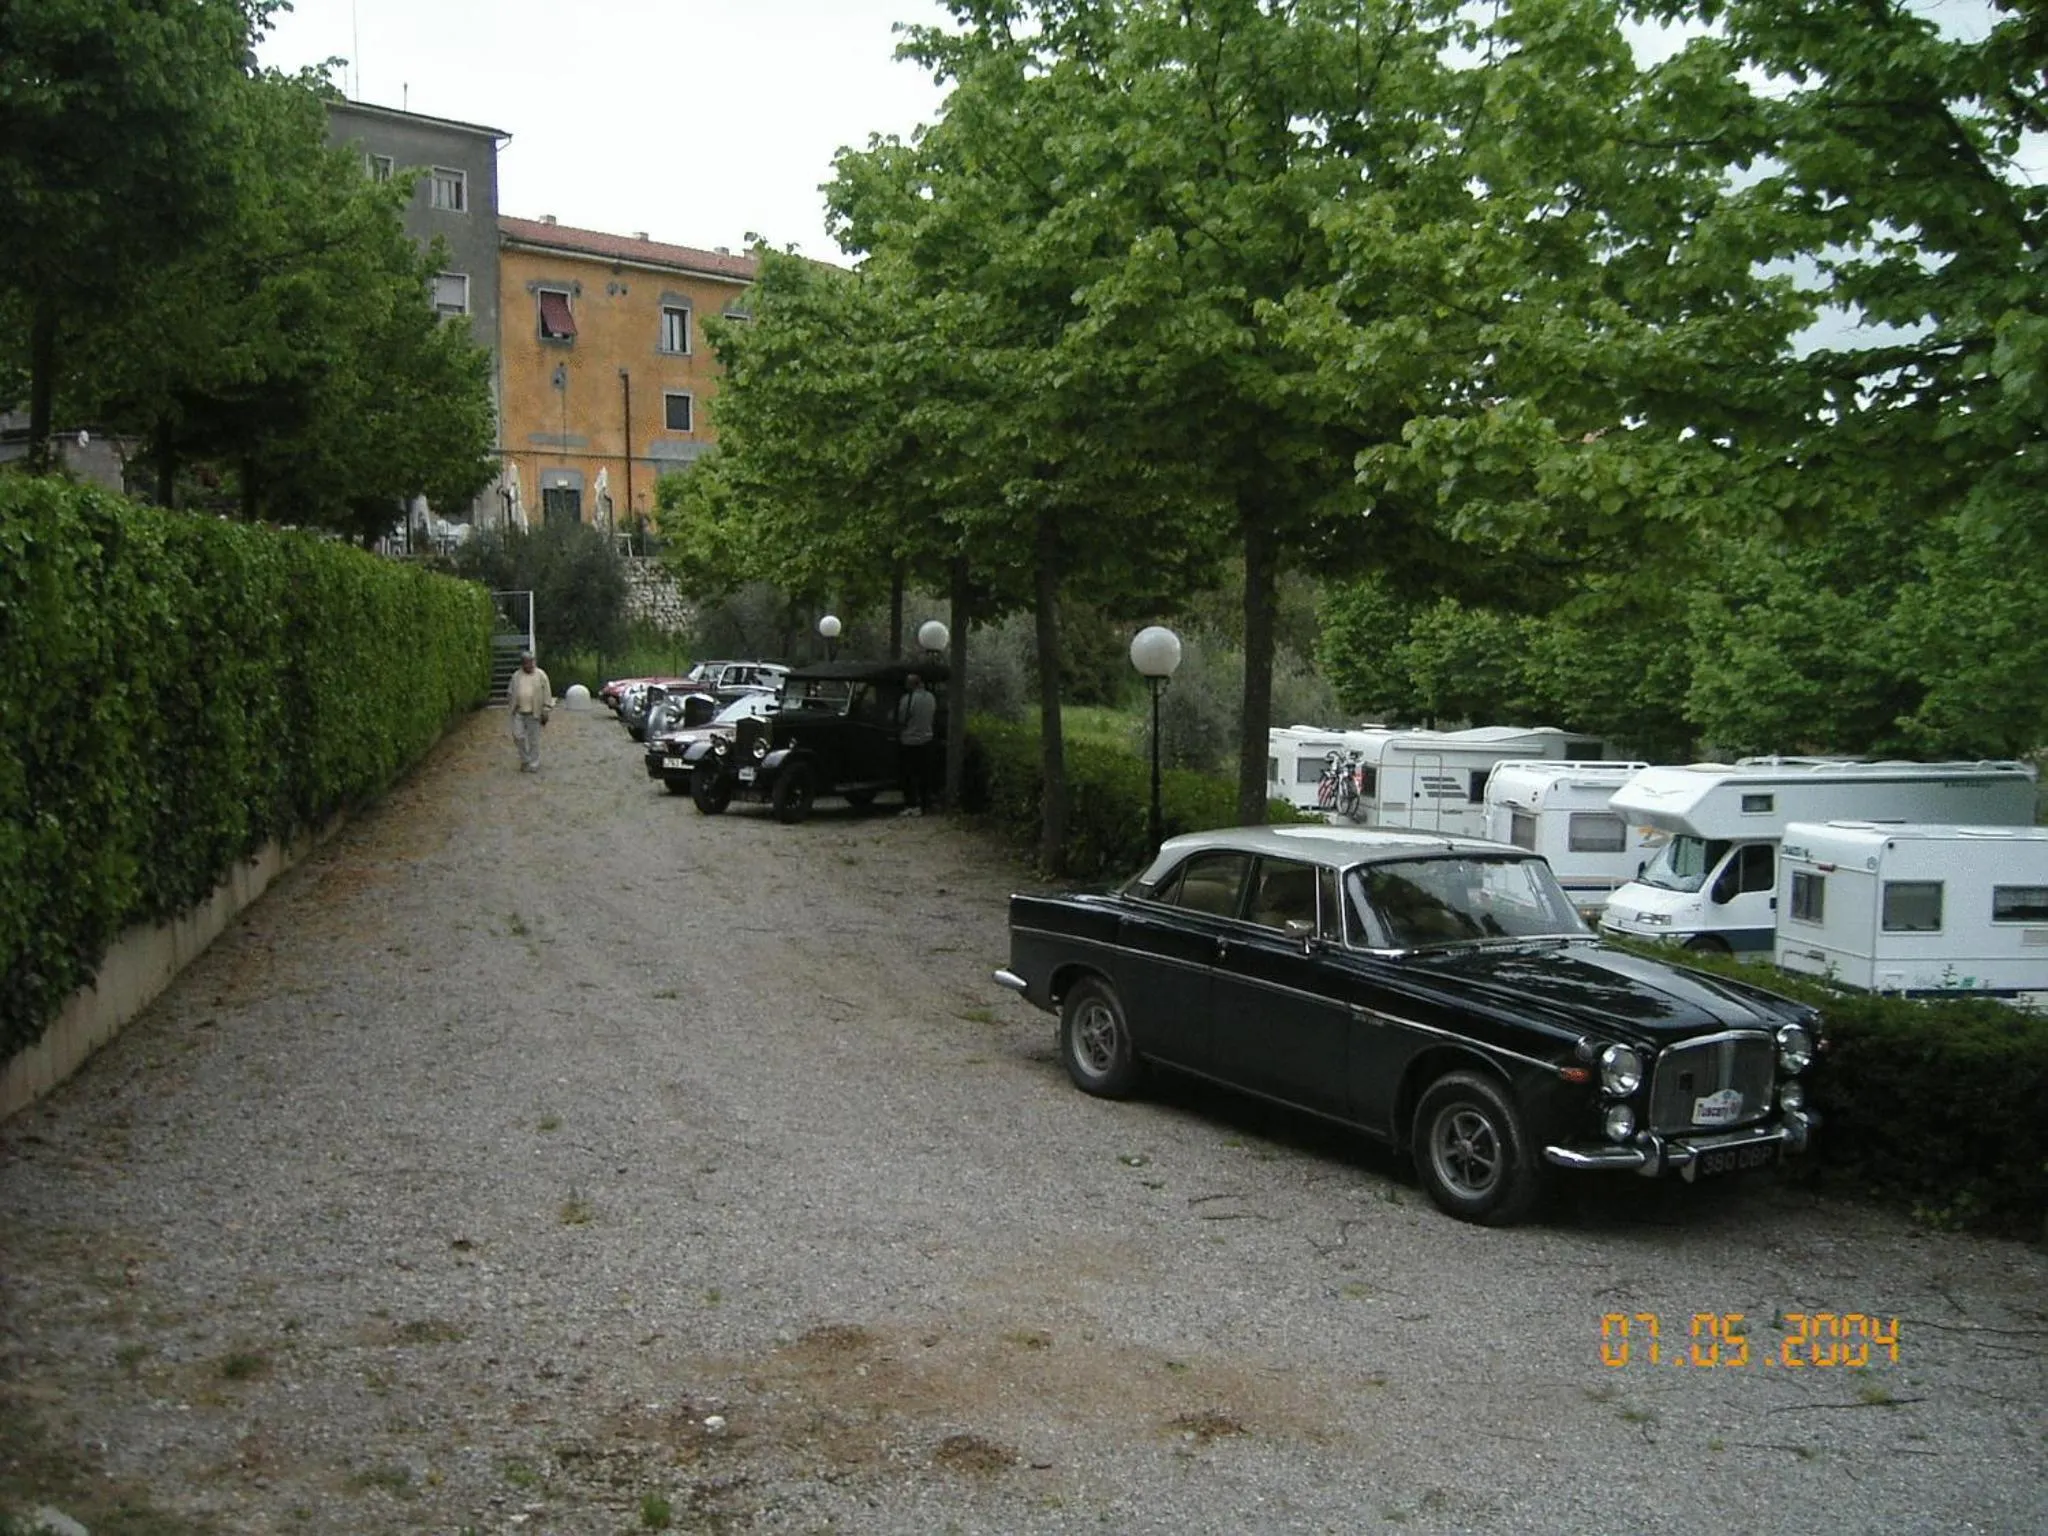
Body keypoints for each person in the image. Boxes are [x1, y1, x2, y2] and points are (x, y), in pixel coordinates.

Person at [896, 672, 937, 817]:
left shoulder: (907, 699)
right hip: (927, 739)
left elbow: (902, 719)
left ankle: (911, 805)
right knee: (925, 775)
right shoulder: (931, 698)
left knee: (908, 775)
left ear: (911, 684)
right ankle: (926, 804)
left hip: (910, 741)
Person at [507, 650, 554, 772]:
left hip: (535, 711)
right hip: (519, 711)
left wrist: (546, 709)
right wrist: (512, 703)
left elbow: (547, 693)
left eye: (532, 662)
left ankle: (534, 763)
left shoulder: (541, 675)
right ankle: (525, 759)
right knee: (518, 736)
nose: (531, 665)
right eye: (528, 663)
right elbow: (510, 692)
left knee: (534, 739)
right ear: (523, 664)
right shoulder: (516, 676)